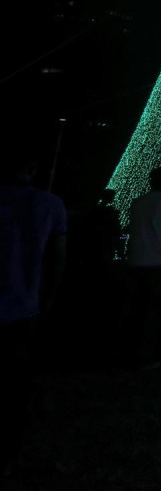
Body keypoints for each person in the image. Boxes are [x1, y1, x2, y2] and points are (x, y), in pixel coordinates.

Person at [1, 155, 68, 469]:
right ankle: (10, 444)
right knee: (16, 378)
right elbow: (58, 257)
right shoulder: (50, 204)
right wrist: (49, 298)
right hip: (25, 305)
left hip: (19, 302)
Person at [121, 166, 161, 367]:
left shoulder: (137, 202)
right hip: (158, 262)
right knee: (153, 310)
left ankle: (126, 351)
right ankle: (146, 356)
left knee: (133, 307)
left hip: (134, 260)